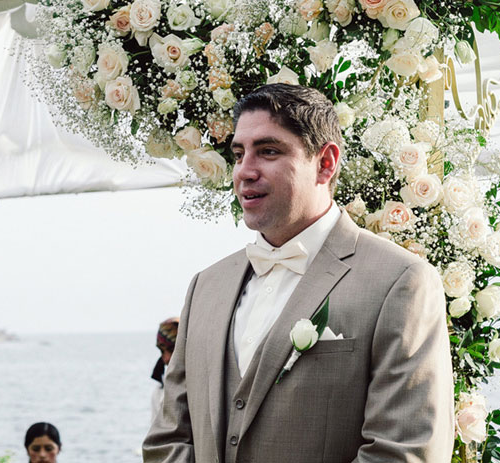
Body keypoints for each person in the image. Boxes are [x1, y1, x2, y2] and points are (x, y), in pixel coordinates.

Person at [143, 84, 454, 462]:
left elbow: (405, 451)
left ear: (325, 163)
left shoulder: (401, 281)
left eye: (268, 151)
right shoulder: (206, 286)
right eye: (239, 154)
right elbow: (167, 439)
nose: (245, 171)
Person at [150, 317, 179, 422]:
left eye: (172, 350)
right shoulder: (159, 391)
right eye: (162, 351)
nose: (166, 358)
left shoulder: (201, 386)